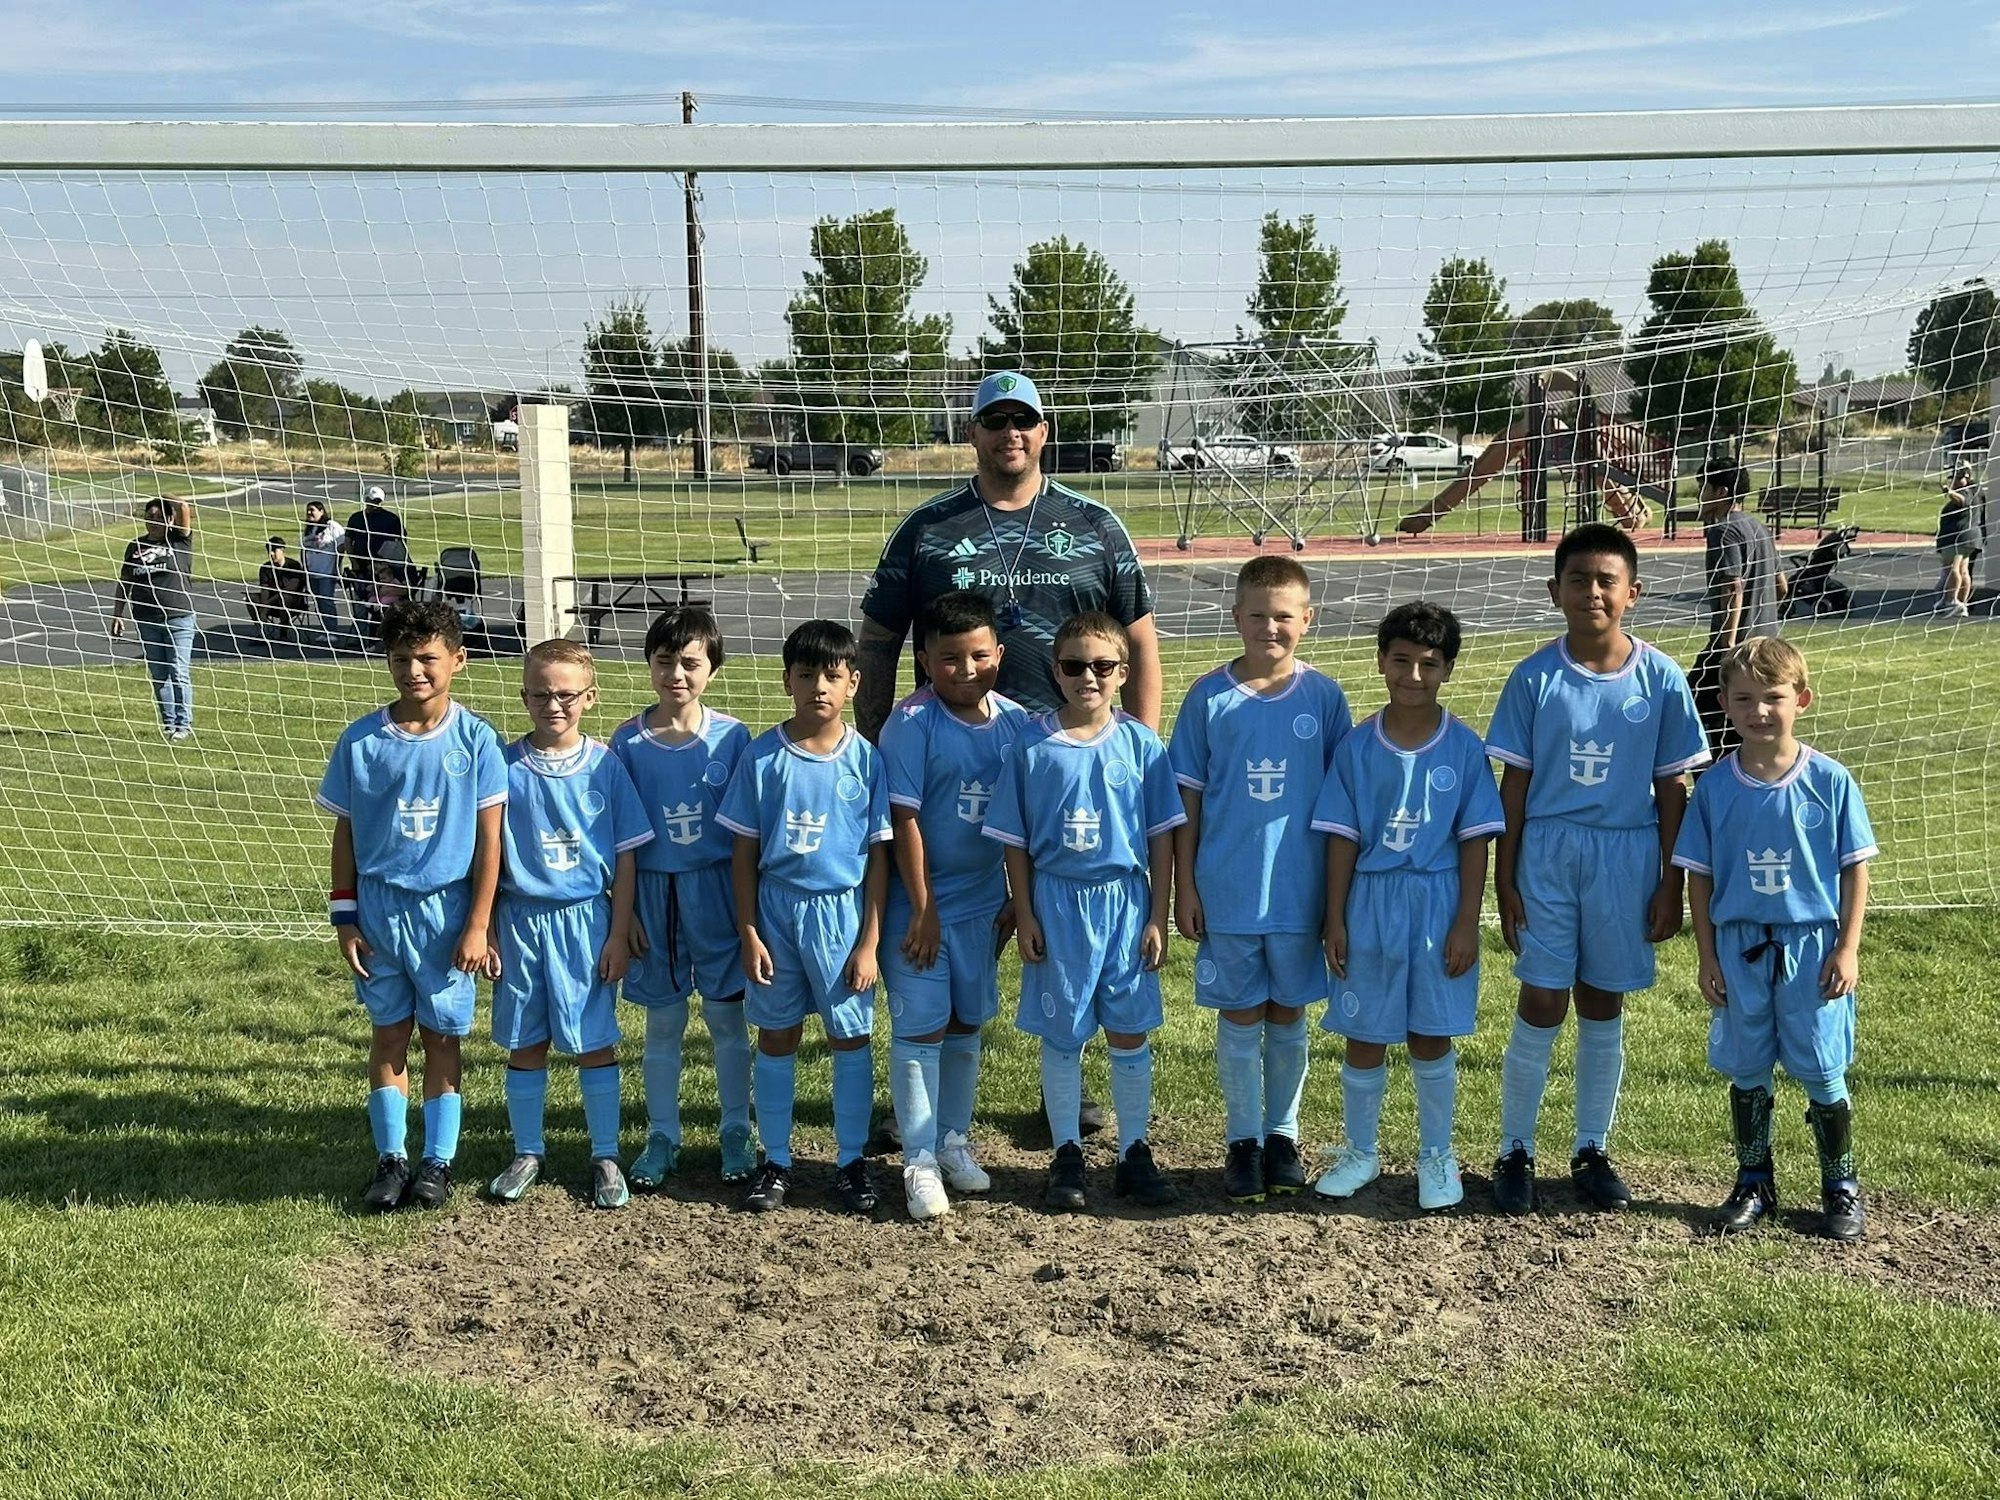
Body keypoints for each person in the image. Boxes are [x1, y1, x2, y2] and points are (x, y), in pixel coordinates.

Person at [858, 369, 1155, 1139]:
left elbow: (1141, 641)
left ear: (1044, 431)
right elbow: (882, 641)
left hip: (1063, 760)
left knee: (1059, 916)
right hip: (950, 752)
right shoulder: (929, 528)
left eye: (1024, 420)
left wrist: (1136, 745)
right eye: (995, 420)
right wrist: (869, 745)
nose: (1009, 433)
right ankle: (921, 1095)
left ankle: (1071, 1078)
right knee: (944, 923)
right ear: (974, 432)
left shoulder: (1092, 525)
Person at [1485, 523, 1711, 1215]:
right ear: (1555, 591)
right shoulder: (1534, 677)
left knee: (1602, 999)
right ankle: (1514, 1150)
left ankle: (1591, 1149)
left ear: (1632, 593)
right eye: (1578, 579)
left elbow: (1674, 789)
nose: (1592, 592)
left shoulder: (1663, 678)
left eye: (1606, 580)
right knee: (1543, 998)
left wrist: (1670, 883)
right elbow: (1513, 788)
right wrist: (1506, 876)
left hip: (1627, 852)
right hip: (1549, 854)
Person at [1672, 638, 1876, 1242]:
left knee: (1820, 1064)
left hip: (1812, 944)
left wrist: (1848, 947)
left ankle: (1841, 1185)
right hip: (1739, 946)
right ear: (1725, 705)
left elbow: (1854, 868)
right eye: (1745, 699)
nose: (1760, 710)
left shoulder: (1831, 781)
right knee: (1747, 1063)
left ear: (1801, 700)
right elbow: (1699, 878)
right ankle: (1753, 1179)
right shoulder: (1713, 787)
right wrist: (1707, 955)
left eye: (1774, 698)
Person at [982, 610, 1186, 1213]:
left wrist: (1158, 913)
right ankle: (1067, 1150)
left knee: (1128, 1028)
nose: (1087, 677)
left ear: (1122, 672)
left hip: (1123, 900)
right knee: (1063, 1030)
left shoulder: (1142, 745)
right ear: (1055, 671)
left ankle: (1135, 1151)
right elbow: (1014, 840)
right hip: (1056, 899)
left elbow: (1162, 837)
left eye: (1101, 666)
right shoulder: (1030, 744)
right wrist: (1024, 911)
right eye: (1074, 666)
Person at [1167, 555, 1351, 1205]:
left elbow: (1342, 807)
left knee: (1289, 1012)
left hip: (1300, 893)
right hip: (1230, 887)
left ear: (1308, 618)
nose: (1269, 628)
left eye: (1283, 617)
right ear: (1235, 616)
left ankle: (1283, 1135)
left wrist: (1337, 904)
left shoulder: (1325, 698)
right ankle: (1242, 1139)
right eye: (1257, 616)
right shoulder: (1208, 697)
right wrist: (1184, 886)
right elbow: (1184, 800)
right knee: (1242, 1014)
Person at [1310, 603, 1504, 1212]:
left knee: (1430, 1034)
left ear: (1447, 670)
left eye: (1428, 664)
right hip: (1371, 902)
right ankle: (1361, 1152)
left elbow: (1476, 841)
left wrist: (1466, 921)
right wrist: (1334, 915)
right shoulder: (1356, 746)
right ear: (1380, 662)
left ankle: (1436, 1155)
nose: (1413, 675)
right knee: (1364, 1035)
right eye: (1401, 661)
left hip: (1438, 900)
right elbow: (1341, 838)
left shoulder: (1465, 748)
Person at [316, 600, 506, 1212]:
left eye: (428, 658)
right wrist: (345, 916)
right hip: (378, 910)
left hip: (446, 913)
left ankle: (438, 1162)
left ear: (458, 659)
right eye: (402, 658)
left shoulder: (476, 740)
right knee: (389, 1033)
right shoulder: (361, 741)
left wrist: (478, 923)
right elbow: (345, 834)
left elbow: (489, 841)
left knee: (442, 1038)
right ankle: (391, 1159)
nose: (414, 670)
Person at [717, 620, 891, 1215]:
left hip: (841, 916)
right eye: (807, 674)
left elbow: (878, 860)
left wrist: (869, 940)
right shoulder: (762, 757)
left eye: (833, 676)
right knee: (777, 1033)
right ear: (787, 679)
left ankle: (849, 1161)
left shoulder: (866, 761)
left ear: (852, 683)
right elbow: (742, 854)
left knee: (850, 1035)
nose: (820, 685)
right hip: (776, 912)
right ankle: (777, 1160)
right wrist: (748, 932)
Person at [877, 590, 1031, 1220]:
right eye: (949, 659)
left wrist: (1017, 897)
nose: (966, 671)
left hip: (983, 904)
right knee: (922, 1026)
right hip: (920, 909)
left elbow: (1026, 819)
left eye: (978, 656)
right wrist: (922, 907)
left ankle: (951, 1141)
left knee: (967, 1022)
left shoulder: (1018, 723)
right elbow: (903, 819)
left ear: (998, 653)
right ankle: (916, 1158)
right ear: (924, 659)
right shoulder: (911, 724)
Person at [487, 640, 654, 1211]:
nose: (552, 705)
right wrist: (485, 924)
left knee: (593, 1041)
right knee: (525, 1040)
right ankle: (528, 1151)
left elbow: (627, 855)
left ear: (589, 697)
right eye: (541, 694)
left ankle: (605, 1153)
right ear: (524, 695)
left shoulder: (607, 765)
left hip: (586, 919)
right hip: (520, 921)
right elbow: (484, 856)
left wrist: (618, 929)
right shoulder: (504, 766)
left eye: (565, 695)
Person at [609, 608, 757, 1188]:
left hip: (717, 891)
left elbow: (748, 831)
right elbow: (617, 835)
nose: (677, 673)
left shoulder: (734, 736)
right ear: (649, 666)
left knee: (726, 1016)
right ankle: (662, 1134)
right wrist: (624, 914)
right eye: (665, 661)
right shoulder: (626, 739)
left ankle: (735, 1128)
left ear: (712, 670)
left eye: (690, 663)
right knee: (663, 1023)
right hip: (652, 896)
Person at [1689, 458, 1782, 759]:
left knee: (1688, 715)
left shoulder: (1723, 531)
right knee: (1736, 730)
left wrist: (1728, 643)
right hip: (1766, 647)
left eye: (1703, 486)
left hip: (1733, 649)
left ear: (1721, 492)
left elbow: (1733, 586)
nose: (1698, 494)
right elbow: (1781, 585)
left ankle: (1713, 787)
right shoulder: (1759, 527)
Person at [109, 495, 197, 740]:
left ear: (170, 520)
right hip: (147, 618)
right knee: (159, 674)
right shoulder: (134, 546)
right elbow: (124, 581)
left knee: (179, 672)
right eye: (149, 517)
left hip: (178, 617)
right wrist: (118, 614)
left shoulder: (179, 541)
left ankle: (184, 725)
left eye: (159, 517)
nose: (154, 522)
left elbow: (183, 507)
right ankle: (169, 724)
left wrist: (161, 494)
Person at [1936, 462, 1981, 618]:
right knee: (1963, 571)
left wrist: (1949, 492)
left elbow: (1961, 501)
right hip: (1968, 539)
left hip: (1958, 537)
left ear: (1967, 478)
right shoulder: (1976, 491)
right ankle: (1962, 603)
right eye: (1954, 478)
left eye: (1959, 478)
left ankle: (1953, 601)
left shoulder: (1968, 492)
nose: (1955, 481)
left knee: (1952, 569)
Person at [300, 500, 346, 636]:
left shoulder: (331, 526)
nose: (309, 513)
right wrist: (304, 568)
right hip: (312, 572)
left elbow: (342, 546)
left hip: (327, 572)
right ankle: (325, 631)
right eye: (308, 510)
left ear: (321, 511)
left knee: (326, 602)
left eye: (312, 510)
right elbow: (303, 549)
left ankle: (332, 632)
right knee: (319, 603)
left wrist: (337, 567)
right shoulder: (308, 528)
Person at [248, 536, 311, 633]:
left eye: (274, 550)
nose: (271, 554)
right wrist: (263, 605)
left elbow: (290, 590)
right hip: (272, 602)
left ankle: (283, 633)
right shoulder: (265, 568)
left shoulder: (294, 566)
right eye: (269, 551)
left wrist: (266, 605)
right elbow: (265, 589)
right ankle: (261, 632)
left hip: (293, 603)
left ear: (282, 550)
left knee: (284, 598)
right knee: (251, 599)